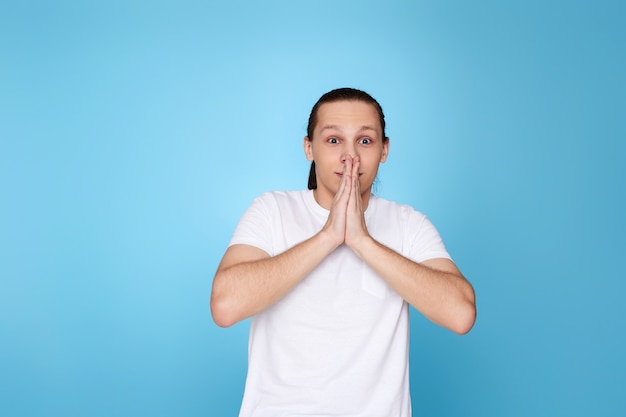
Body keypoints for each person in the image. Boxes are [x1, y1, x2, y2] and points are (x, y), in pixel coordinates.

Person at [211, 87, 476, 417]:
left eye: (365, 141)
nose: (349, 156)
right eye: (333, 140)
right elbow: (224, 306)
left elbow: (461, 314)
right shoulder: (272, 210)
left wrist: (363, 242)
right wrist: (328, 237)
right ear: (309, 148)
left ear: (384, 150)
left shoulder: (409, 224)